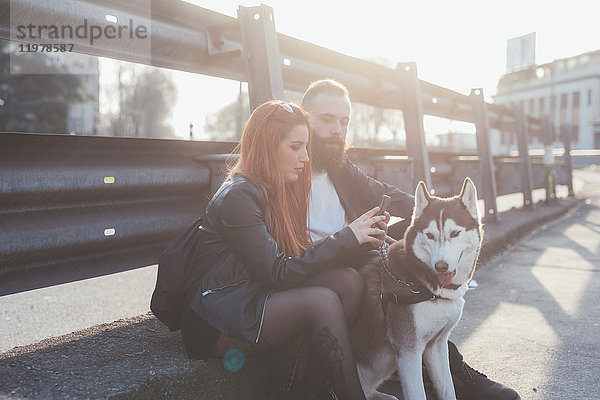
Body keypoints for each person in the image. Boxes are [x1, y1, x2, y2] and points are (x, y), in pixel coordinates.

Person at [300, 78, 521, 400]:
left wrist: (435, 211)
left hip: (347, 251)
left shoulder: (339, 166)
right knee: (389, 274)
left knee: (414, 254)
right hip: (313, 265)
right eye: (326, 119)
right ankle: (410, 366)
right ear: (302, 118)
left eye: (344, 121)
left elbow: (382, 192)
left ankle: (442, 367)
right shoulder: (289, 170)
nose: (338, 129)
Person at [180, 100, 388, 399]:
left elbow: (297, 256)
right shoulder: (239, 196)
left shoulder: (272, 188)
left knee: (349, 282)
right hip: (218, 318)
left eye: (307, 146)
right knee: (321, 302)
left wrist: (362, 241)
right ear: (267, 146)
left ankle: (310, 392)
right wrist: (347, 238)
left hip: (252, 294)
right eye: (296, 147)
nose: (305, 157)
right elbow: (279, 273)